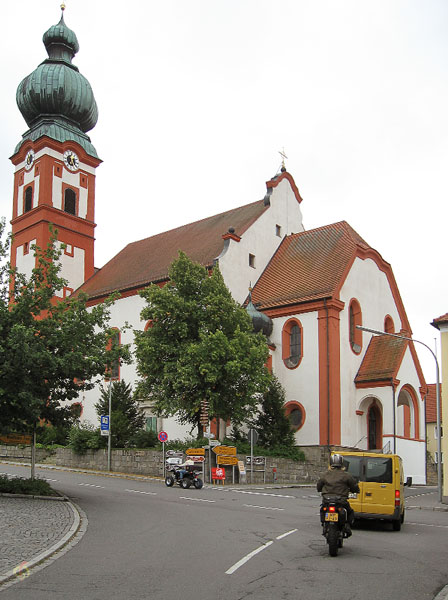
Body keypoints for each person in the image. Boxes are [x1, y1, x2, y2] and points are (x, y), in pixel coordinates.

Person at [316, 453, 360, 536]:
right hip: (341, 501)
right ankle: (347, 526)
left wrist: (319, 489)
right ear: (341, 463)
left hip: (327, 500)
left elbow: (319, 486)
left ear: (331, 463)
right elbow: (354, 486)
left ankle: (324, 524)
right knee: (350, 512)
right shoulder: (346, 475)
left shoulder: (325, 474)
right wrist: (356, 490)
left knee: (322, 509)